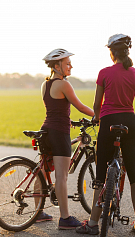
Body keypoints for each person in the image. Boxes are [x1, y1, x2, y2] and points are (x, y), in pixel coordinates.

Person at [76, 34, 135, 236]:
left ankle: (92, 223)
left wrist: (97, 118)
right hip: (130, 123)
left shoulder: (104, 73)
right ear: (127, 52)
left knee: (100, 174)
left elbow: (96, 105)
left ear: (111, 53)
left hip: (108, 124)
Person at [36, 48, 95, 229]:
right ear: (57, 66)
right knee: (61, 176)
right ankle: (65, 218)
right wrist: (99, 117)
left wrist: (66, 119)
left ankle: (38, 212)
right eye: (67, 63)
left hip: (45, 130)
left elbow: (55, 109)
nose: (70, 66)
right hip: (59, 132)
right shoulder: (64, 85)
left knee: (42, 171)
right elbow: (80, 106)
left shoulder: (45, 85)